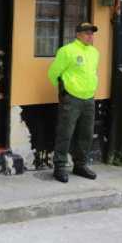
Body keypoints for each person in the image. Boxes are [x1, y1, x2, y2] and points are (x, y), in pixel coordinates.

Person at [47, 22, 100, 183]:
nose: (90, 36)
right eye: (86, 33)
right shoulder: (67, 51)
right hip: (71, 98)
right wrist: (64, 91)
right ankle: (60, 167)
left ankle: (80, 165)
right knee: (65, 133)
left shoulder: (94, 52)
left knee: (86, 134)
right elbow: (53, 73)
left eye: (92, 33)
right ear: (78, 34)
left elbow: (92, 73)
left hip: (89, 99)